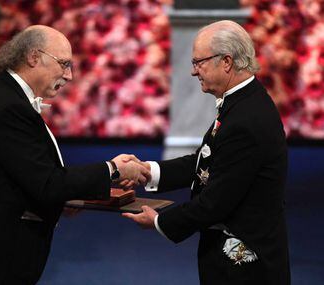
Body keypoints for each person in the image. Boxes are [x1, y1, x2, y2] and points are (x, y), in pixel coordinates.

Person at [0, 25, 150, 285]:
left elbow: (29, 176)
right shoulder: (7, 106)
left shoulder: (7, 97)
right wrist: (112, 170)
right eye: (64, 64)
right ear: (34, 57)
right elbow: (48, 183)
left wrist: (71, 197)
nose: (69, 75)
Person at [123, 20, 290, 285]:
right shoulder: (243, 103)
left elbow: (215, 203)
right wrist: (149, 171)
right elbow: (208, 161)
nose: (193, 71)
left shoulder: (247, 119)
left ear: (226, 62)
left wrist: (160, 222)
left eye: (199, 62)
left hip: (245, 270)